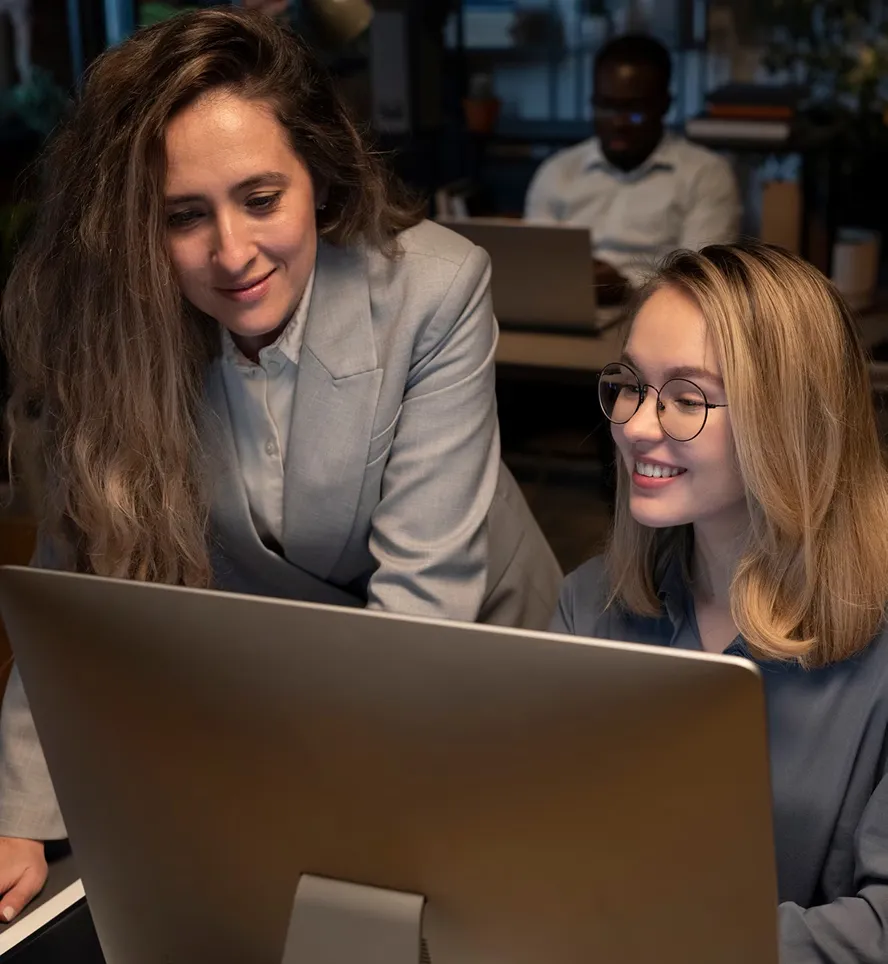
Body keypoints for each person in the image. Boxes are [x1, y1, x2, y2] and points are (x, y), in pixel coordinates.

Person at [0, 7, 562, 920]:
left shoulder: (436, 288)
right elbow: (77, 573)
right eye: (184, 216)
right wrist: (18, 813)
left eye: (261, 199)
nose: (231, 253)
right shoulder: (113, 333)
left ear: (322, 179)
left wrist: (288, 818)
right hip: (294, 694)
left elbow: (421, 616)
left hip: (472, 663)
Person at [553, 240, 888, 963]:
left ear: (790, 418)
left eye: (685, 398)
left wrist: (671, 942)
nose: (637, 425)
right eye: (632, 385)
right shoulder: (591, 603)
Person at [525, 35, 741, 296]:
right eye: (605, 108)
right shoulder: (558, 171)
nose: (618, 123)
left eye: (634, 111)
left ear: (664, 106)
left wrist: (625, 287)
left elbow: (701, 282)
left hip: (657, 314)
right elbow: (535, 267)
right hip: (566, 305)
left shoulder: (705, 174)